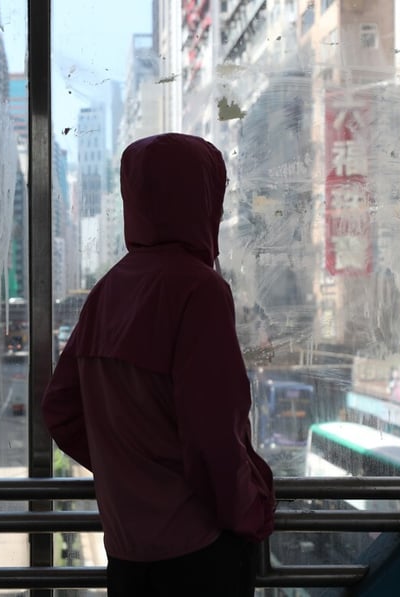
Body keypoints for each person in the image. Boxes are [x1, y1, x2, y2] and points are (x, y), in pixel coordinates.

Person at [41, 133, 275, 596]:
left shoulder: (107, 291)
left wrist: (129, 472)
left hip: (127, 556)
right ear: (201, 199)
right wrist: (252, 513)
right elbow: (214, 439)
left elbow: (61, 409)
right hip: (199, 559)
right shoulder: (199, 291)